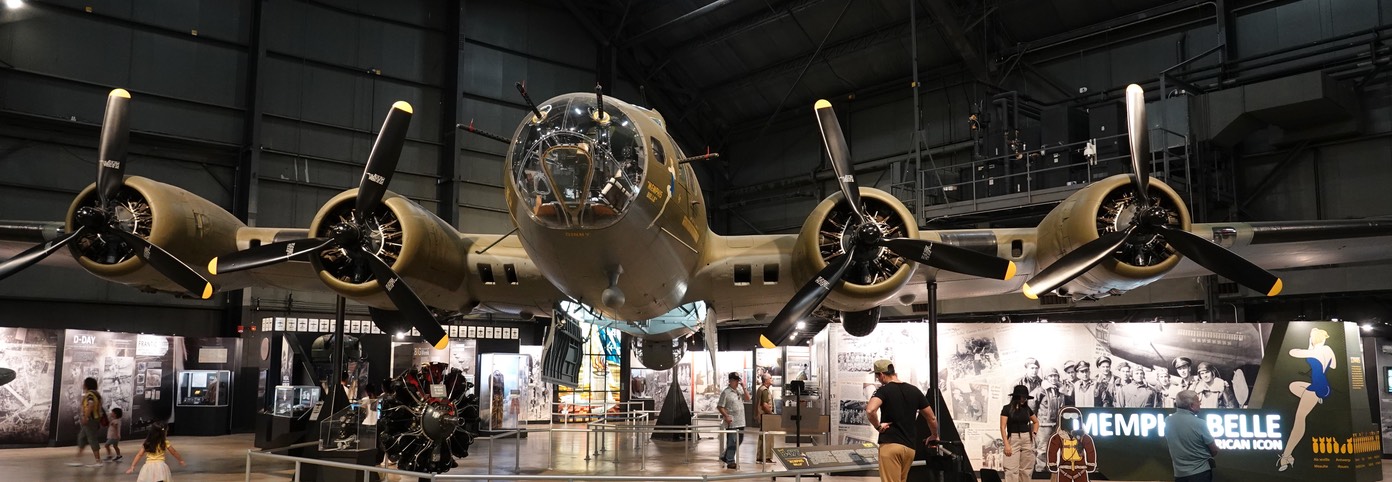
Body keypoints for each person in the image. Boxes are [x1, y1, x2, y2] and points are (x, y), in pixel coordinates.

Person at [865, 359, 938, 482]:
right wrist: (934, 435)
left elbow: (870, 410)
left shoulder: (883, 390)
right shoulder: (915, 391)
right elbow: (931, 417)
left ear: (882, 375)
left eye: (877, 376)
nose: (878, 379)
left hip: (890, 445)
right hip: (909, 448)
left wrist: (878, 426)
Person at [1277, 327, 1336, 472]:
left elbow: (1293, 352)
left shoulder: (1314, 352)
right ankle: (1317, 399)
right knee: (1294, 386)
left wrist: (1310, 345)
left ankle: (1287, 455)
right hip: (1324, 387)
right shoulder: (1328, 350)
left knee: (1299, 418)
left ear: (1313, 339)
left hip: (1316, 388)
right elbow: (1334, 365)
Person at [1165, 390, 1217, 482]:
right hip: (1201, 474)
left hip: (1179, 475)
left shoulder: (1168, 421)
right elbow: (1214, 450)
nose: (1200, 403)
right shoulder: (1200, 424)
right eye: (1198, 401)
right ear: (1191, 406)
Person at [1046, 406, 1097, 482]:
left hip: (1081, 469)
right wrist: (1052, 464)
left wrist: (1091, 464)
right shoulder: (1057, 437)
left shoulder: (1085, 437)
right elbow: (1052, 451)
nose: (1070, 420)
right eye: (1067, 417)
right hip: (1064, 469)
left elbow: (1090, 451)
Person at [1000, 384, 1038, 482]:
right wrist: (1006, 444)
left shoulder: (1027, 409)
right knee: (1011, 468)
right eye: (1022, 396)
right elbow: (1002, 427)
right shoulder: (1007, 408)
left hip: (1027, 438)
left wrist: (1034, 434)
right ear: (1016, 397)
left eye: (1025, 397)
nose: (1024, 399)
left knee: (1026, 469)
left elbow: (1036, 422)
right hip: (1013, 438)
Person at [716, 371, 750, 469]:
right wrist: (726, 416)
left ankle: (725, 456)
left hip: (741, 420)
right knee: (732, 441)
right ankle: (730, 460)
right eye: (735, 380)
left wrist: (744, 387)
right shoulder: (726, 392)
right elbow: (720, 406)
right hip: (732, 422)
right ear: (730, 381)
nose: (736, 382)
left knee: (740, 440)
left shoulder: (739, 390)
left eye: (737, 380)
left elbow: (747, 399)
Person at [1034, 369, 1065, 471]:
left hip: (1057, 424)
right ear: (1046, 378)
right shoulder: (1041, 390)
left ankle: (1054, 472)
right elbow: (1031, 406)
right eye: (1050, 376)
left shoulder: (1061, 390)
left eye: (1055, 376)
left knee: (1057, 448)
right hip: (1044, 425)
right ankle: (1040, 472)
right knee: (1042, 449)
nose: (1053, 378)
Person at [69, 377, 104, 467]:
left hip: (90, 420)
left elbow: (91, 405)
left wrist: (86, 417)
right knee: (82, 438)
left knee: (92, 439)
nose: (82, 384)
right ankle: (78, 459)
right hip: (93, 419)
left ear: (87, 384)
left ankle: (98, 461)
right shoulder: (96, 394)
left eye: (84, 383)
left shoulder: (90, 394)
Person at [754, 373, 775, 463]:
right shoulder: (765, 390)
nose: (772, 379)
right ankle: (766, 457)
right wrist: (772, 414)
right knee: (768, 437)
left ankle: (760, 456)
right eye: (770, 378)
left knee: (762, 437)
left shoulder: (760, 389)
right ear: (766, 380)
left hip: (762, 416)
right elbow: (765, 404)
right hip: (766, 416)